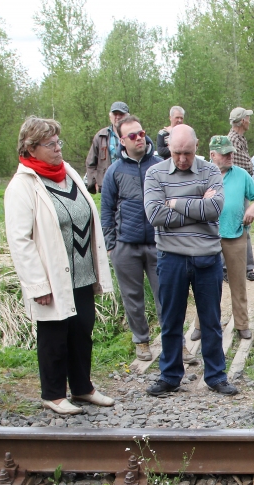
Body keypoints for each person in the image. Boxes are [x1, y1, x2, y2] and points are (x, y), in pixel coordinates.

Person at [5, 116, 116, 415]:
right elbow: (20, 240)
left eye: (58, 142)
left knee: (82, 330)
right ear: (31, 148)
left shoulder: (67, 173)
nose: (57, 148)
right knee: (54, 336)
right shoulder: (23, 185)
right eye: (50, 144)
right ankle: (53, 394)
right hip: (52, 276)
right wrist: (37, 284)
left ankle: (82, 387)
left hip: (82, 270)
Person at [143, 124, 237, 397]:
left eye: (187, 152)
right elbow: (154, 215)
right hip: (170, 257)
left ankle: (216, 376)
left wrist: (173, 202)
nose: (182, 159)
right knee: (171, 320)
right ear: (168, 148)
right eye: (176, 153)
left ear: (197, 147)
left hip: (207, 258)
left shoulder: (210, 171)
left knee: (211, 320)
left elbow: (215, 208)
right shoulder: (155, 173)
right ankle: (170, 376)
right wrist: (196, 205)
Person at [100, 114, 163, 362]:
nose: (140, 138)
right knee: (133, 298)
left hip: (159, 244)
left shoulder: (159, 166)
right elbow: (106, 210)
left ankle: (174, 342)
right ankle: (142, 341)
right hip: (126, 245)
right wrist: (111, 245)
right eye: (132, 136)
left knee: (167, 296)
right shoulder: (114, 172)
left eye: (141, 133)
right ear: (121, 140)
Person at [208, 135, 254, 341]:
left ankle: (242, 324)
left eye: (231, 152)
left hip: (235, 235)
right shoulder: (203, 174)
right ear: (213, 155)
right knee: (205, 285)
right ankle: (201, 324)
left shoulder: (241, 174)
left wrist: (253, 207)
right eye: (225, 154)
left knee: (238, 283)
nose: (231, 156)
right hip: (208, 238)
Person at [228, 106, 254, 281]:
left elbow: (247, 166)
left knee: (244, 228)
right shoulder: (231, 140)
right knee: (235, 228)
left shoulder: (241, 139)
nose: (249, 120)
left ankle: (247, 267)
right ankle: (230, 269)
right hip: (234, 191)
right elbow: (245, 167)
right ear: (241, 121)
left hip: (242, 190)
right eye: (247, 117)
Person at [85, 101, 129, 193]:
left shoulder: (134, 134)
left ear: (128, 116)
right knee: (108, 207)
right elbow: (90, 162)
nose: (118, 117)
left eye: (121, 114)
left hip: (129, 181)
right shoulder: (101, 136)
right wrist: (94, 181)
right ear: (110, 116)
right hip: (107, 183)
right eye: (115, 114)